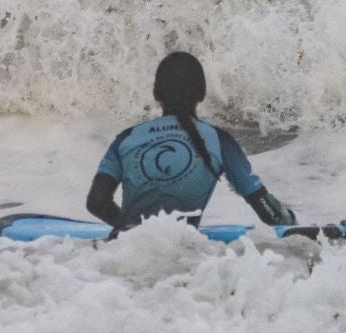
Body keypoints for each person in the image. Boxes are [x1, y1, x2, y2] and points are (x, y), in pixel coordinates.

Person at [85, 51, 294, 232]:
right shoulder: (220, 141)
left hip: (124, 251)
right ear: (202, 93)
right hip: (184, 255)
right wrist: (292, 224)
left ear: (156, 93)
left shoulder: (127, 138)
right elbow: (266, 209)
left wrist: (130, 230)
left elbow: (97, 203)